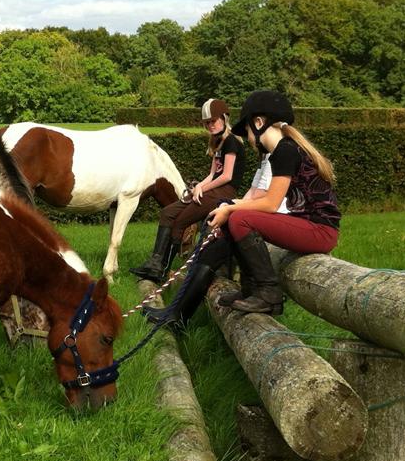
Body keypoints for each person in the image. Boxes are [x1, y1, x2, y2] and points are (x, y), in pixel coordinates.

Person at [143, 89, 340, 329]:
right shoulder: (281, 151)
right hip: (309, 226)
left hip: (319, 231)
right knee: (230, 223)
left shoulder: (284, 151)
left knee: (239, 220)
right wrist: (229, 208)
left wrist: (231, 209)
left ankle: (268, 293)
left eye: (246, 130)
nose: (247, 137)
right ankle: (179, 313)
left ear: (259, 123)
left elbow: (270, 203)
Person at [130, 98, 246, 283]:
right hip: (212, 189)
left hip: (224, 192)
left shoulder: (232, 142)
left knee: (180, 222)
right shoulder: (217, 143)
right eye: (206, 123)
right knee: (168, 213)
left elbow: (227, 176)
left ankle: (161, 271)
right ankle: (155, 262)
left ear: (224, 118)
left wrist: (203, 187)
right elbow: (213, 173)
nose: (210, 126)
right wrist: (198, 186)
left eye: (213, 121)